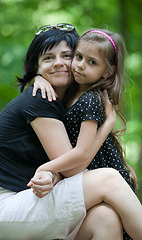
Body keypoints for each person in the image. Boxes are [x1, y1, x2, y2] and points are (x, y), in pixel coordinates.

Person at [0, 24, 141, 240]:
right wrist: (106, 126)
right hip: (6, 204)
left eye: (67, 55)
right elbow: (73, 169)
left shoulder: (70, 99)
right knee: (109, 179)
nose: (59, 63)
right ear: (36, 67)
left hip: (33, 199)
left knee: (105, 218)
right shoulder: (39, 97)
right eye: (48, 58)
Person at [29, 28, 142, 240]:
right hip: (92, 178)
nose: (80, 65)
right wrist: (38, 77)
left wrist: (45, 168)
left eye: (92, 62)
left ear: (107, 72)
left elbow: (80, 157)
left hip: (102, 174)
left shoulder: (90, 99)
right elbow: (50, 71)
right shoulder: (73, 90)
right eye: (78, 57)